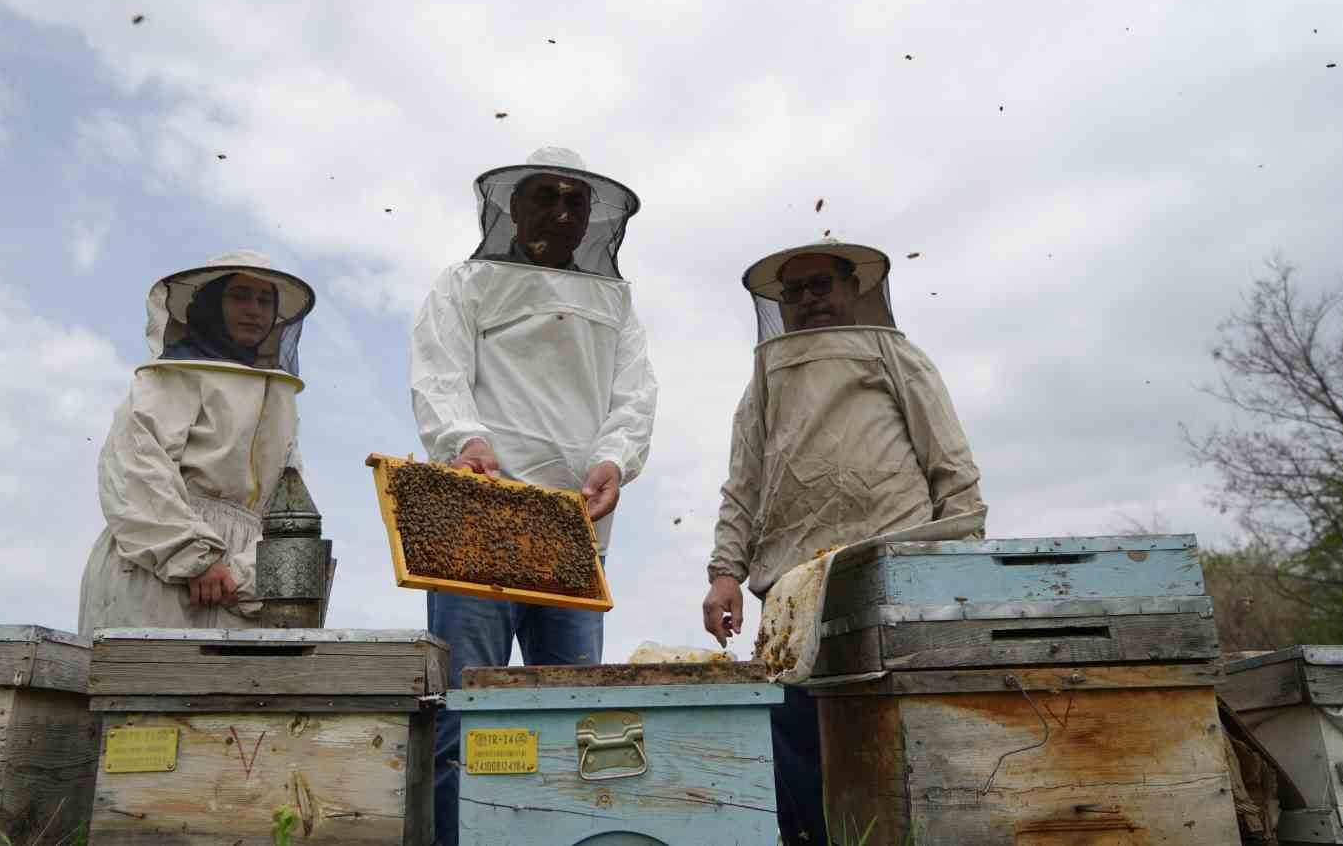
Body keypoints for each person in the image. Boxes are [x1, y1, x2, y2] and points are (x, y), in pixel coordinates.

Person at [410, 147, 658, 844]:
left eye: (575, 201)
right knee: (465, 713)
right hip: (477, 523)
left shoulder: (614, 299)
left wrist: (614, 458)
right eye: (544, 196)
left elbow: (634, 396)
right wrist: (464, 440)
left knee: (578, 720)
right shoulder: (466, 283)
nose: (561, 211)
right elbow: (439, 376)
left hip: (573, 529)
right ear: (513, 206)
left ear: (590, 219)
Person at [702, 239, 985, 844]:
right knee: (796, 733)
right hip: (793, 592)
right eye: (795, 292)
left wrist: (963, 558)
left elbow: (952, 465)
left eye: (820, 286)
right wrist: (725, 572)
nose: (808, 300)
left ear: (852, 289)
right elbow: (743, 484)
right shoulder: (765, 380)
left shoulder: (893, 354)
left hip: (890, 576)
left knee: (897, 732)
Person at [78, 250, 316, 634]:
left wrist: (245, 572)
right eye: (239, 296)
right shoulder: (170, 377)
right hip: (156, 567)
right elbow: (136, 469)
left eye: (264, 300)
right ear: (211, 303)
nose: (254, 309)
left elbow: (288, 502)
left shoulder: (279, 398)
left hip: (238, 584)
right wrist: (195, 558)